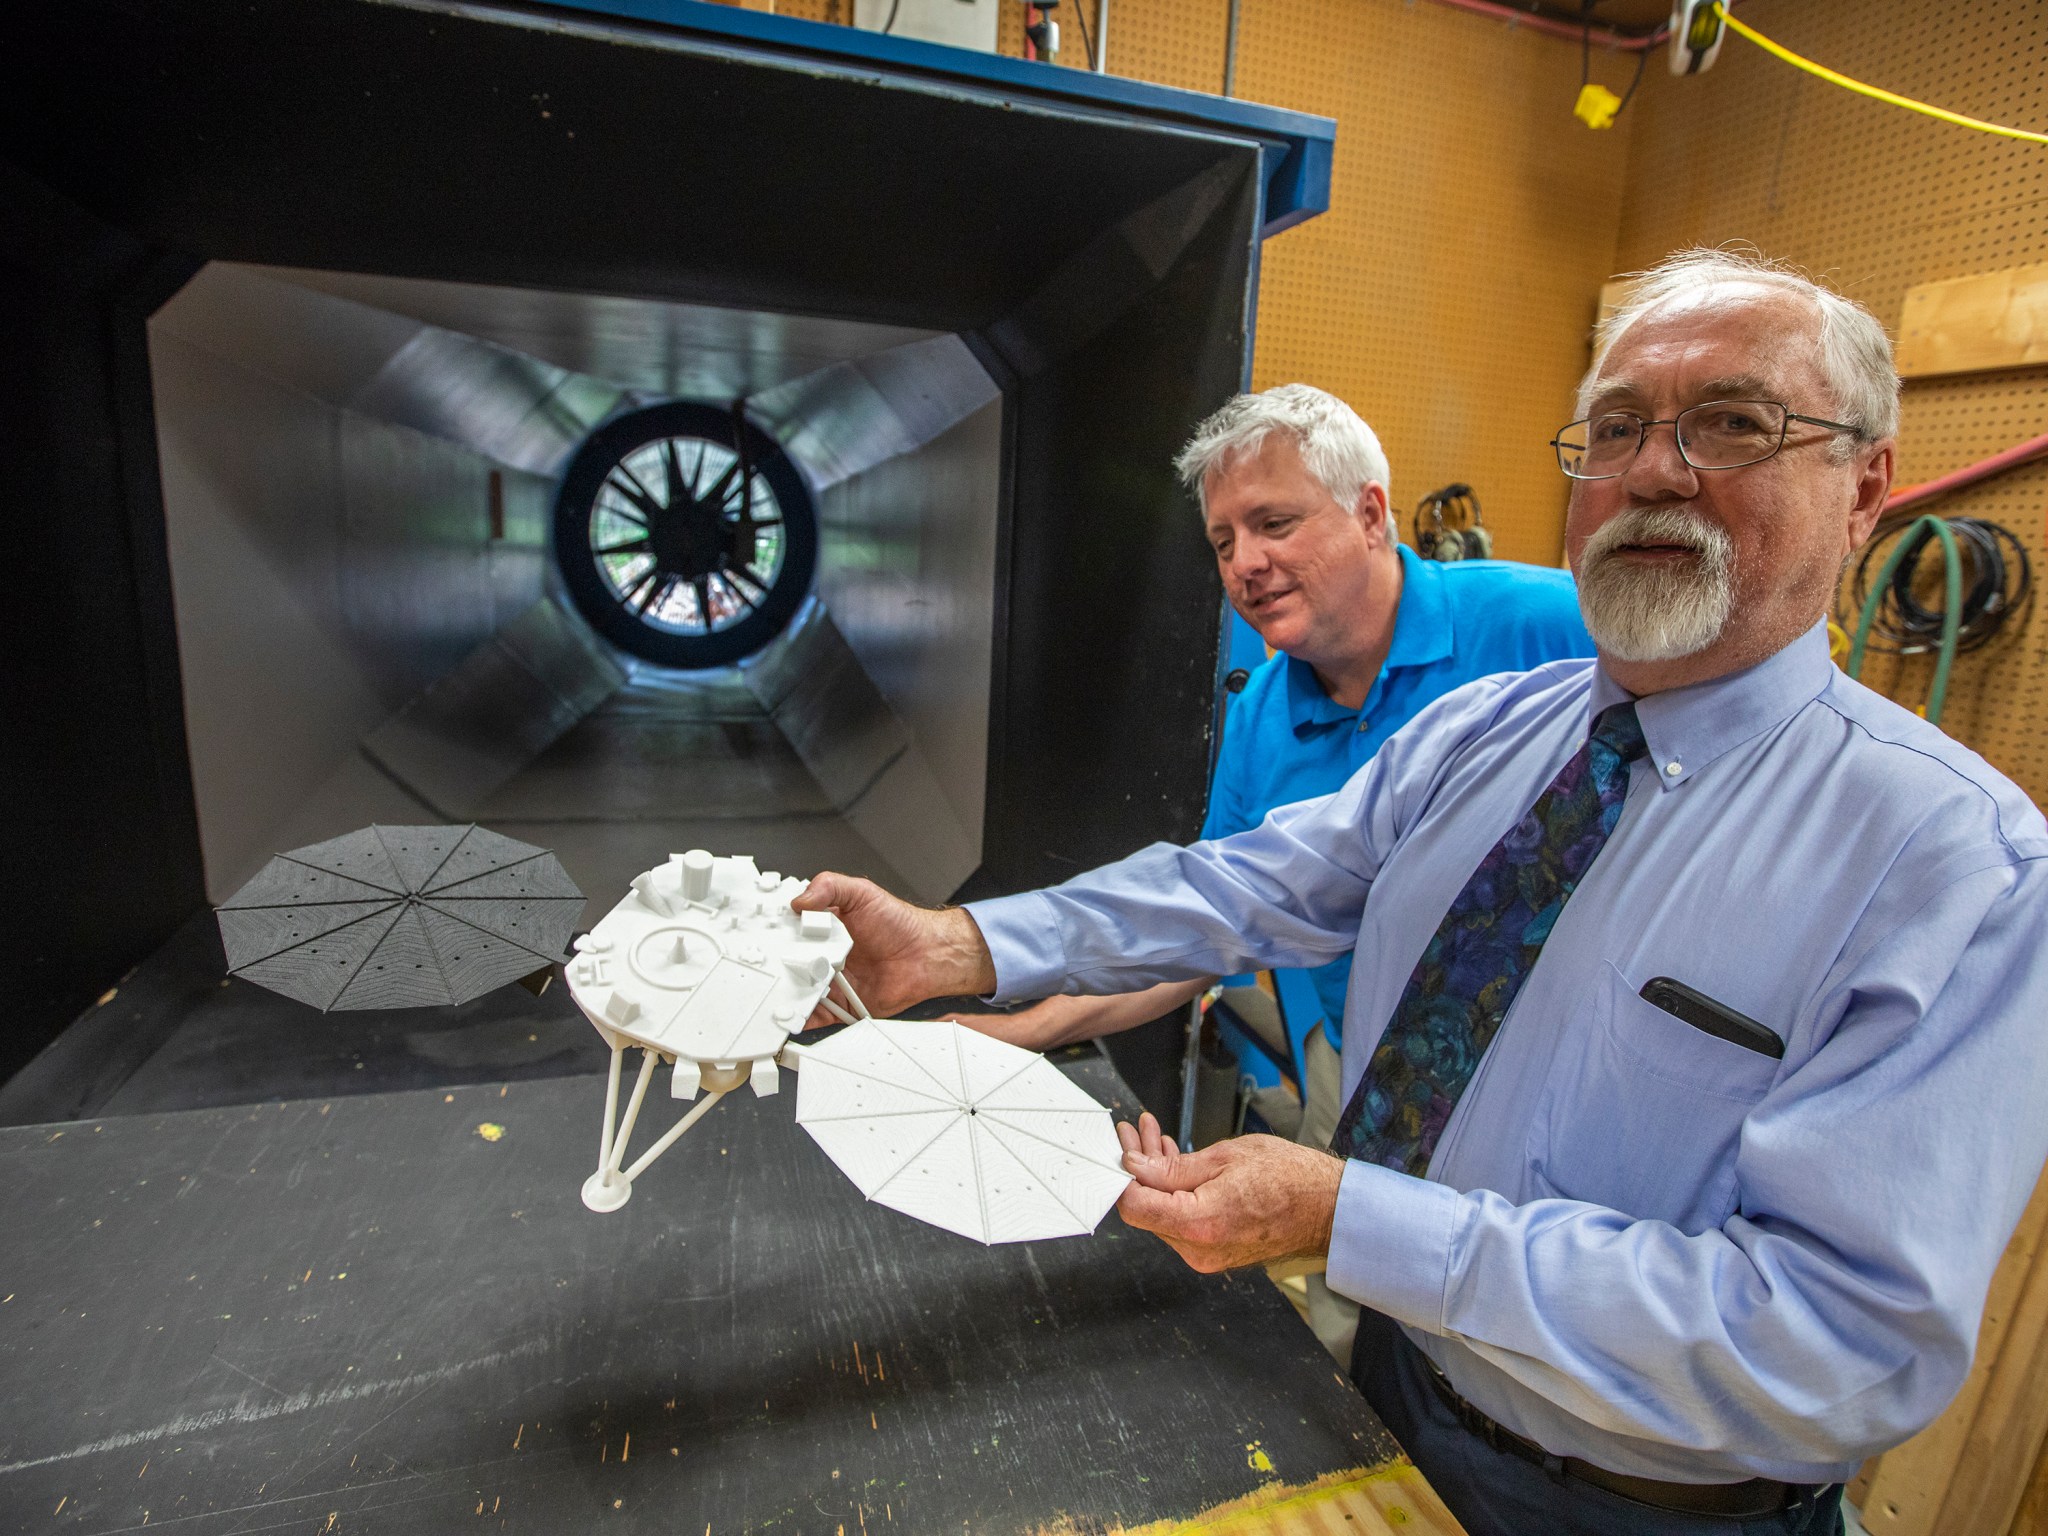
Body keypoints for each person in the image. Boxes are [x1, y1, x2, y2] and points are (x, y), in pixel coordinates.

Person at [794, 249, 2048, 1536]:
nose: (1656, 468)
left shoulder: (1953, 868)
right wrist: (951, 945)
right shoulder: (1485, 733)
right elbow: (1242, 887)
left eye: (1731, 423)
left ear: (1864, 487)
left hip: (1635, 1505)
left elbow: (1837, 1345)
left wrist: (1355, 1217)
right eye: (1614, 428)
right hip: (1389, 1380)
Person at [970, 384, 1591, 1158]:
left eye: (1274, 525)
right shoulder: (1261, 715)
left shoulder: (1549, 623)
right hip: (1371, 1068)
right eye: (1224, 541)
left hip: (1560, 1072)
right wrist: (1018, 1031)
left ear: (1370, 514)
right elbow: (1204, 927)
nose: (1245, 564)